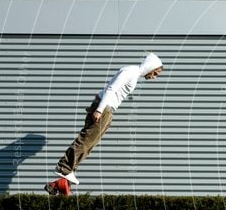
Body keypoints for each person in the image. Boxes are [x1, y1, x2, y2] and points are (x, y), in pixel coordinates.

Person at [44, 53, 164, 196]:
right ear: (151, 67)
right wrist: (99, 110)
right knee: (86, 140)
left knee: (90, 145)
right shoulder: (130, 71)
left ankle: (62, 181)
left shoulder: (135, 74)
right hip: (104, 108)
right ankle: (64, 167)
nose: (154, 77)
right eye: (155, 73)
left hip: (108, 110)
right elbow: (111, 89)